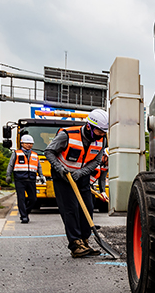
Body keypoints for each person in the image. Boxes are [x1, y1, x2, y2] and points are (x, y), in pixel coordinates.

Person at [44, 108, 108, 258]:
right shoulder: (67, 135)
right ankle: (75, 245)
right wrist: (60, 169)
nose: (102, 135)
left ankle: (84, 241)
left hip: (81, 176)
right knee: (70, 209)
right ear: (89, 127)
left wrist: (81, 172)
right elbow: (49, 152)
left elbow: (96, 161)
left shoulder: (102, 140)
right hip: (63, 177)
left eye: (104, 132)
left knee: (87, 208)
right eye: (99, 131)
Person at [7, 133, 38, 223]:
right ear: (22, 144)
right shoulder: (16, 153)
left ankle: (26, 212)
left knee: (33, 199)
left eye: (31, 143)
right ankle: (24, 216)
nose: (29, 145)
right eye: (27, 143)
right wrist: (8, 175)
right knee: (21, 198)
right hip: (19, 179)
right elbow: (10, 165)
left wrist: (41, 175)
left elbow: (38, 166)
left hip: (31, 179)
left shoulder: (35, 155)